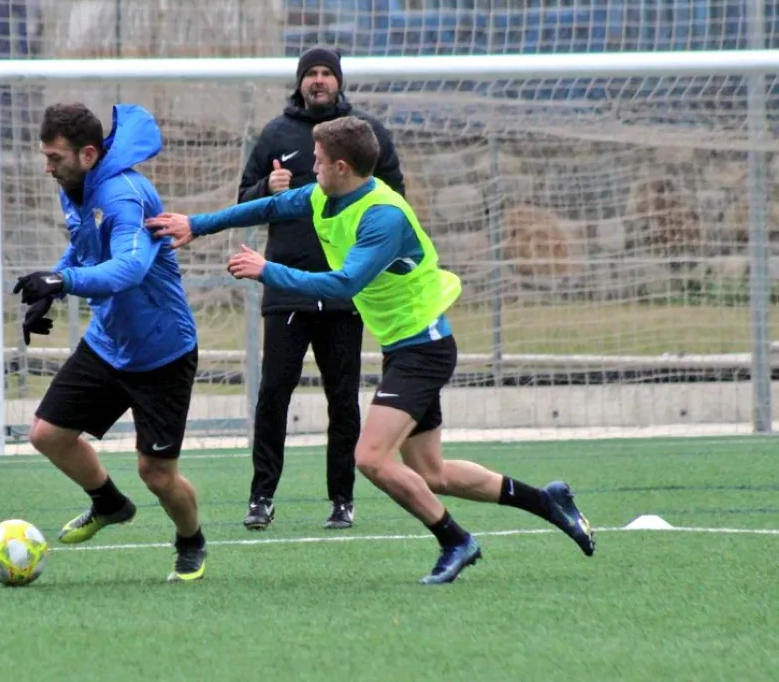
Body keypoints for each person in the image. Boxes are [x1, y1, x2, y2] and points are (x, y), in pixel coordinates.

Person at [146, 116, 595, 585]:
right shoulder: (325, 195)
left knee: (372, 458)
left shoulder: (383, 216)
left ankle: (455, 540)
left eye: (318, 160)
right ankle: (547, 500)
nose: (312, 167)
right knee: (433, 474)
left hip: (424, 349)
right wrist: (195, 224)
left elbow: (344, 283)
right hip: (404, 347)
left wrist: (267, 270)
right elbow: (271, 205)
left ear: (341, 167)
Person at [13, 102, 206, 583]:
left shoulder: (124, 196)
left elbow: (130, 268)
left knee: (157, 474)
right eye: (45, 156)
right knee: (47, 435)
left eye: (55, 158)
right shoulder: (75, 188)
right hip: (108, 342)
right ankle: (109, 503)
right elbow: (83, 246)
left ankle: (191, 541)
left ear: (88, 154)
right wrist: (54, 286)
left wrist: (63, 281)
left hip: (162, 351)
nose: (48, 167)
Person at [235, 45, 406, 531]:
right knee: (274, 395)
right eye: (310, 73)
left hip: (343, 294)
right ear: (299, 82)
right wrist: (267, 189)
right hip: (286, 288)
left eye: (327, 73)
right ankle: (262, 497)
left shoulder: (364, 134)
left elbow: (394, 196)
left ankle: (342, 499)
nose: (318, 80)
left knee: (343, 399)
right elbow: (243, 199)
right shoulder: (276, 134)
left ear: (339, 81)